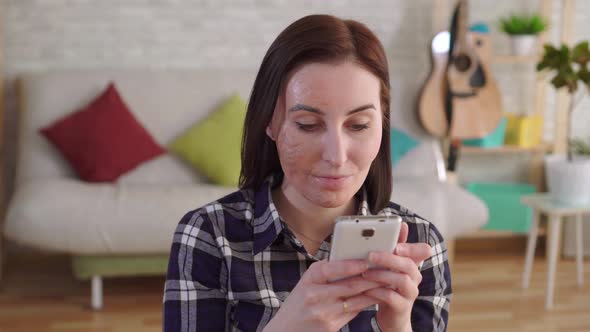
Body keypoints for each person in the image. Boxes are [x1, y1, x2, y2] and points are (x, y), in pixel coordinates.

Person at [163, 14, 451, 332]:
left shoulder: (421, 245)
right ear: (270, 123)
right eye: (308, 125)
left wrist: (397, 324)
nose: (336, 156)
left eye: (359, 125)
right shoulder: (209, 236)